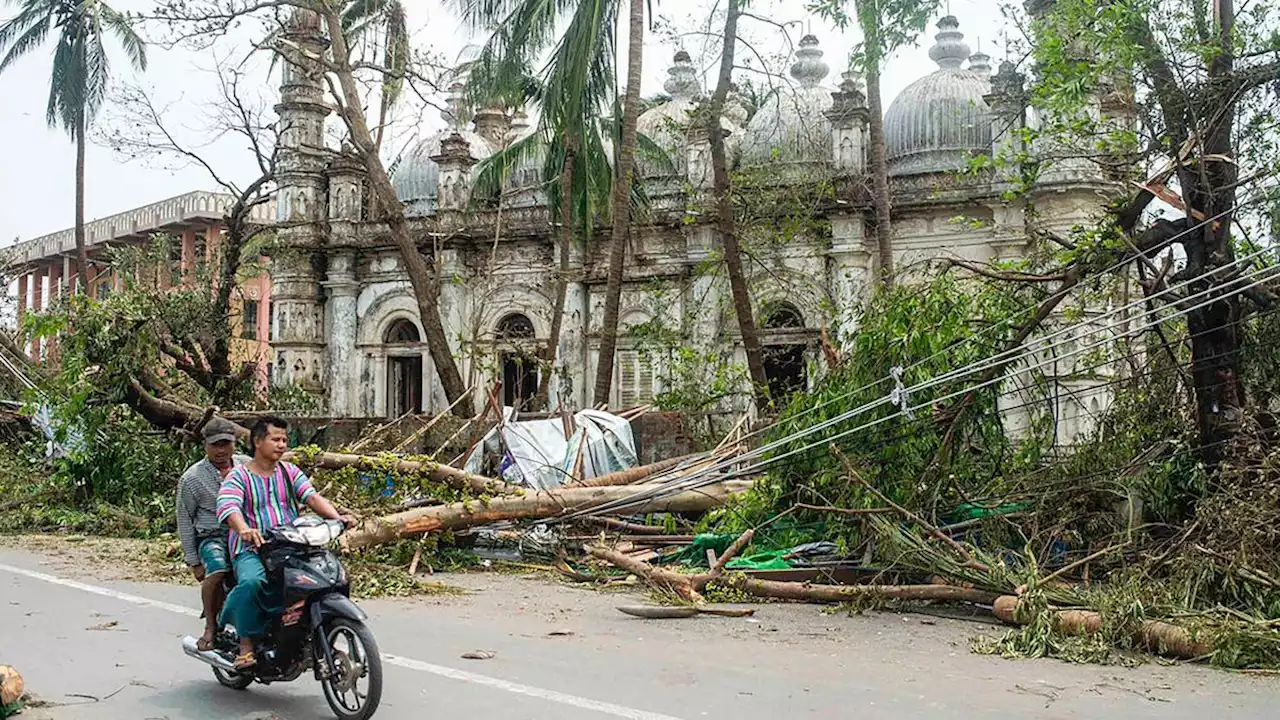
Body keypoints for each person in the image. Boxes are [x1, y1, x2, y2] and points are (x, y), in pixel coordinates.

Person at [216, 415, 352, 670]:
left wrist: (338, 519)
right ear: (257, 441)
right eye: (275, 439)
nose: (281, 445)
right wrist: (244, 529)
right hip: (252, 549)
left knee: (327, 578)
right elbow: (228, 506)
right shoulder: (238, 476)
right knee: (252, 582)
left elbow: (311, 497)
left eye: (284, 440)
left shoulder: (289, 472)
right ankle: (245, 646)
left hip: (291, 544)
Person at [176, 417, 249, 652]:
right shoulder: (192, 478)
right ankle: (210, 625)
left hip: (245, 532)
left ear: (234, 444)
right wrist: (194, 561)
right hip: (212, 536)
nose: (221, 450)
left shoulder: (247, 467)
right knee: (217, 571)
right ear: (205, 445)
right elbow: (185, 518)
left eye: (226, 444)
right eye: (215, 445)